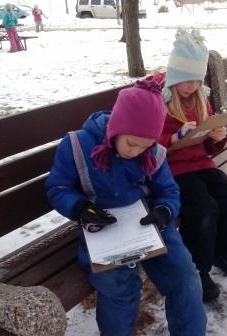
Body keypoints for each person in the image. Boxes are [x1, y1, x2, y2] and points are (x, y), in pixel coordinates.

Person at [45, 79, 207, 336]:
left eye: (145, 146)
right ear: (116, 128)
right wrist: (79, 208)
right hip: (101, 226)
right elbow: (58, 188)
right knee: (119, 287)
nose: (136, 152)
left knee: (186, 278)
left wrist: (164, 210)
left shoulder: (152, 152)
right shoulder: (77, 146)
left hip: (147, 223)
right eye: (132, 144)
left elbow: (168, 190)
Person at [156, 29, 227, 302]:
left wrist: (216, 137)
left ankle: (225, 253)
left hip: (200, 163)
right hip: (172, 168)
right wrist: (172, 138)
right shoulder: (158, 98)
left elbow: (207, 145)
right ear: (174, 74)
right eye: (185, 80)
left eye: (196, 80)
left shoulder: (201, 98)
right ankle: (199, 270)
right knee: (203, 209)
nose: (190, 87)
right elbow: (145, 140)